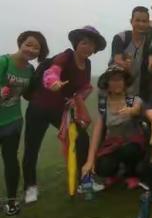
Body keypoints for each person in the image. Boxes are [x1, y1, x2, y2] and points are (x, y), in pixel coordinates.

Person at [22, 26, 106, 204]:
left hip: (60, 110)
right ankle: (30, 187)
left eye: (91, 45)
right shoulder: (66, 56)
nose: (87, 48)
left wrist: (77, 98)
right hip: (39, 107)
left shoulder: (88, 64)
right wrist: (52, 82)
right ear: (76, 44)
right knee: (32, 148)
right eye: (84, 43)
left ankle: (84, 180)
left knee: (82, 139)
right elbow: (52, 71)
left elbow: (84, 87)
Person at [81, 65, 152, 189]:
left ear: (125, 82)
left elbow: (137, 108)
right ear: (107, 83)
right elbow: (97, 132)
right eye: (113, 80)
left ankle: (131, 174)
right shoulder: (103, 104)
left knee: (129, 150)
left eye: (120, 79)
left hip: (133, 143)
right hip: (113, 144)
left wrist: (132, 111)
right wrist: (90, 160)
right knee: (102, 167)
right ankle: (114, 173)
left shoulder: (132, 100)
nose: (117, 83)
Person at [0, 31, 49, 215]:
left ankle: (11, 202)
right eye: (29, 44)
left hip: (13, 121)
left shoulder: (29, 70)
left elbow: (30, 94)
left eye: (36, 48)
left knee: (11, 161)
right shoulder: (3, 62)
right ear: (20, 43)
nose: (31, 49)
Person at [111, 6, 151, 99]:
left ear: (148, 23)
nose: (141, 24)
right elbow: (117, 59)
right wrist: (124, 64)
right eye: (137, 20)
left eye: (144, 21)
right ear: (131, 21)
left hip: (140, 89)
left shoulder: (149, 41)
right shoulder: (121, 38)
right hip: (119, 87)